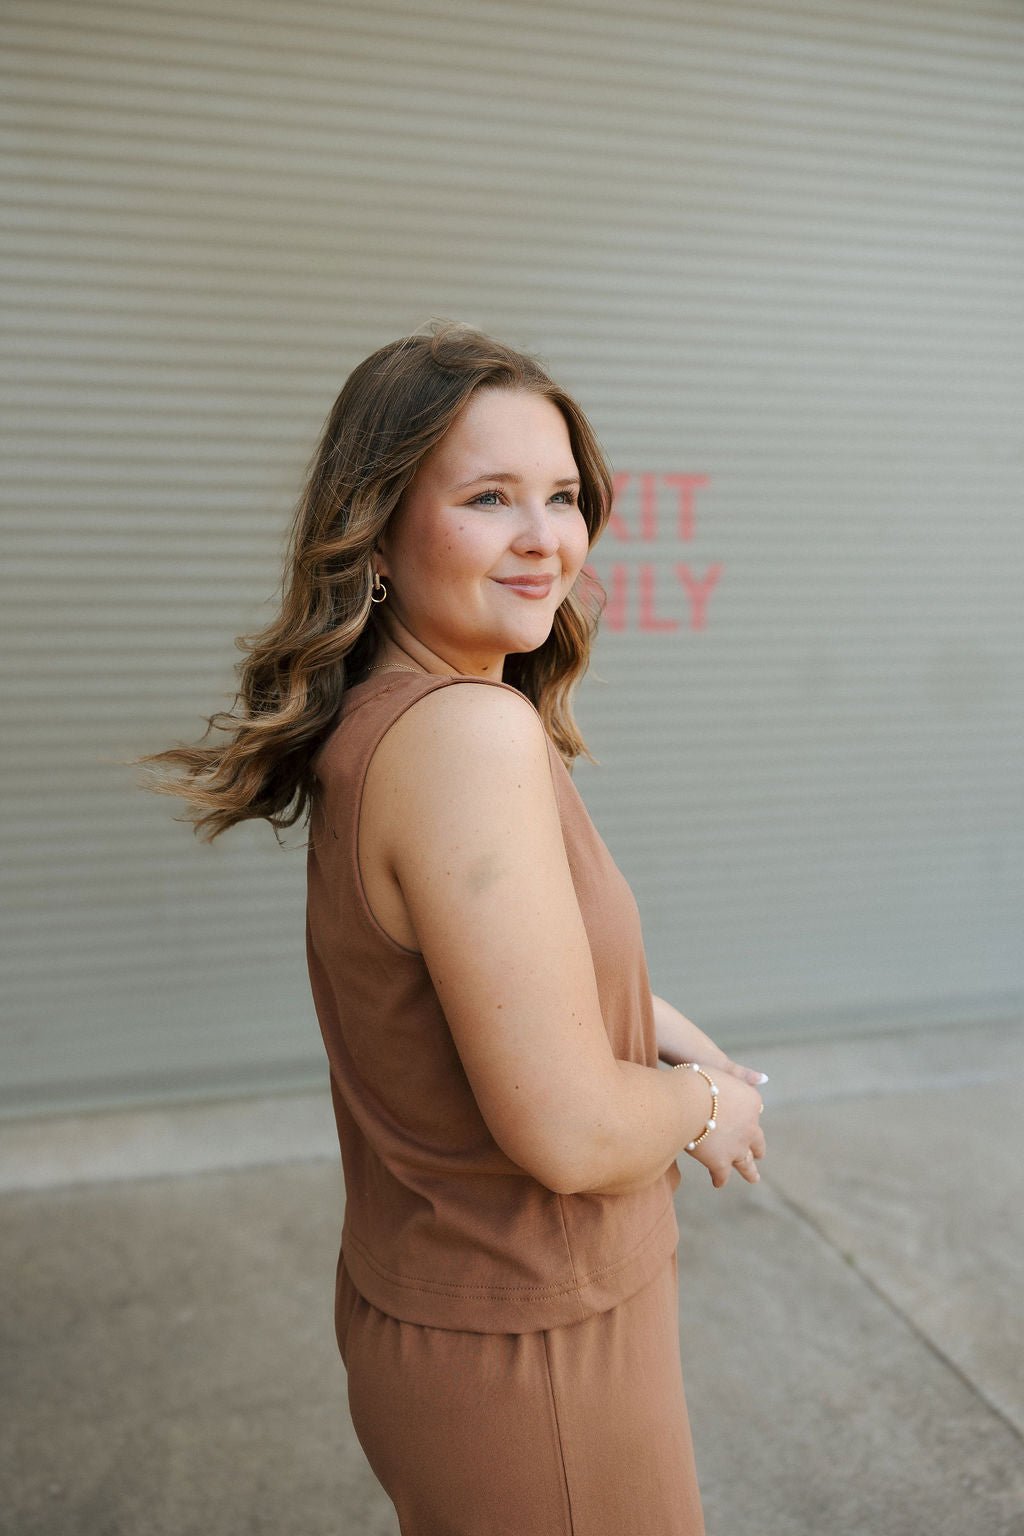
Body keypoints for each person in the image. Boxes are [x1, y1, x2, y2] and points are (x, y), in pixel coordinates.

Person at [137, 321, 767, 1535]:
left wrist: (662, 1028)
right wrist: (707, 1108)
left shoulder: (398, 718)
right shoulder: (468, 739)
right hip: (537, 1353)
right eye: (488, 498)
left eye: (563, 496)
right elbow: (571, 1131)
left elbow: (490, 970)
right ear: (375, 530)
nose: (545, 538)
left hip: (463, 1314)